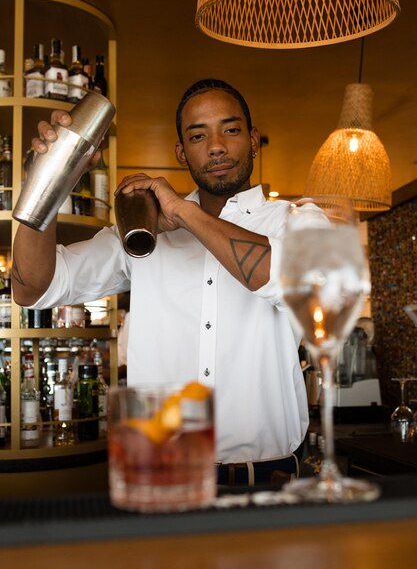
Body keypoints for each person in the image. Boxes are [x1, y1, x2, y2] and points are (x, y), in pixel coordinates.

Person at [12, 78, 309, 485]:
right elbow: (34, 288)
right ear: (181, 153)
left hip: (266, 486)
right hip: (161, 479)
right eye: (198, 135)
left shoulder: (298, 222)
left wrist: (184, 213)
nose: (217, 145)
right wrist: (45, 181)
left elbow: (284, 277)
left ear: (254, 140)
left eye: (232, 129)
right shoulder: (143, 231)